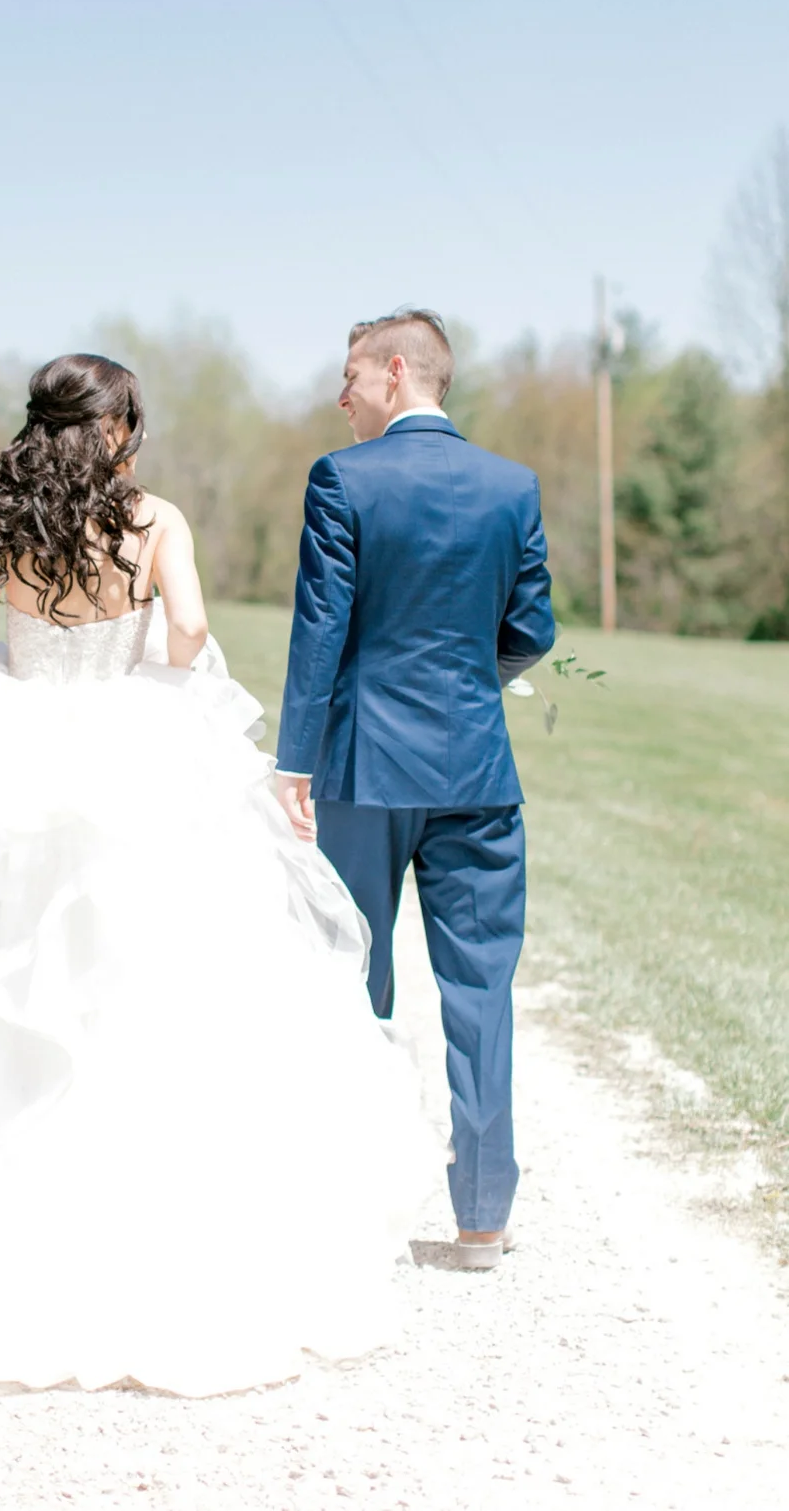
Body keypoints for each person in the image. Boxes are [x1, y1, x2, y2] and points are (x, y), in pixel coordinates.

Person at [0, 352, 436, 1397]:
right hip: (132, 749)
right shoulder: (153, 518)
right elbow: (187, 637)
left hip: (17, 744)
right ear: (119, 426)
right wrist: (137, 665)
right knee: (140, 971)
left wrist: (21, 668)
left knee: (0, 973)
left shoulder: (1, 519)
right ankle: (138, 1199)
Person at [275, 310, 554, 1270]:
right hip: (478, 769)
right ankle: (482, 1218)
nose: (339, 394)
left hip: (364, 770)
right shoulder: (512, 487)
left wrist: (293, 762)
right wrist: (476, 678)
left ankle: (353, 1202)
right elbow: (534, 629)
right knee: (479, 987)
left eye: (349, 374)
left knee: (357, 978)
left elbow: (320, 633)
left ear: (396, 373)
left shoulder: (342, 480)